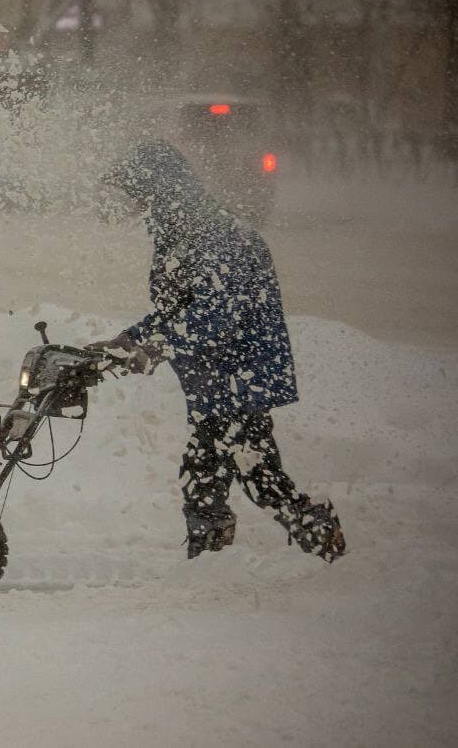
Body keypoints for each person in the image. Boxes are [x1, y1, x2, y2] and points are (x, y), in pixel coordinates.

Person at [91, 140, 345, 562]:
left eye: (137, 193)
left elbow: (217, 315)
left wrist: (157, 348)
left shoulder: (214, 235)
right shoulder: (183, 230)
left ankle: (225, 554)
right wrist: (128, 340)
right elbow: (178, 310)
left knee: (220, 472)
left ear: (158, 189)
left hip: (238, 376)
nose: (133, 203)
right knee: (247, 472)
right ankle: (307, 536)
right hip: (220, 379)